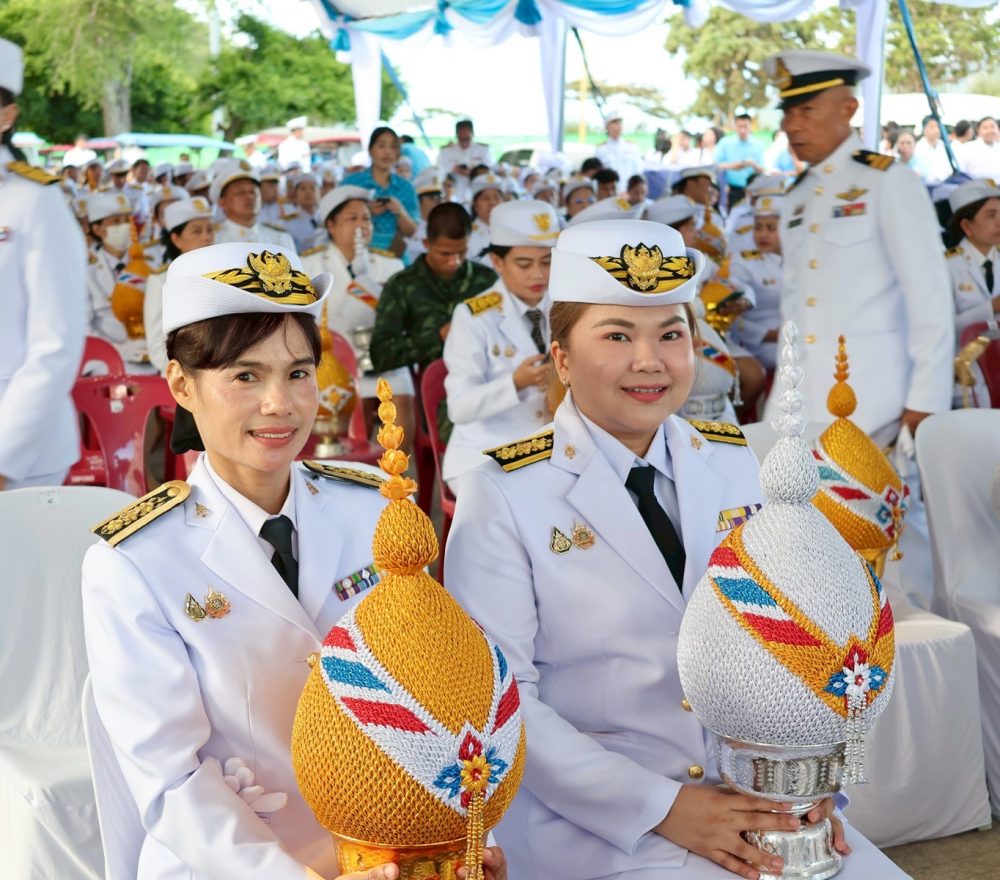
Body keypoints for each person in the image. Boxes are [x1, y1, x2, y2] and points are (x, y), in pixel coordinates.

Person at [81, 240, 507, 880]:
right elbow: (170, 782)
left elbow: (441, 688)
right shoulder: (137, 561)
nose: (280, 403)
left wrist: (464, 842)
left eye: (299, 373)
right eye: (245, 376)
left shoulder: (374, 507)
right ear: (181, 385)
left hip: (395, 847)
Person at [444, 217, 851, 880]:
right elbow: (497, 700)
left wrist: (801, 784)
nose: (650, 360)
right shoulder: (502, 491)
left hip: (750, 794)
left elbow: (796, 638)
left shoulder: (735, 461)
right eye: (617, 336)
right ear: (562, 359)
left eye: (670, 334)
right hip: (598, 821)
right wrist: (664, 808)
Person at [764, 49, 954, 442]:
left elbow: (929, 296)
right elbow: (796, 305)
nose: (792, 125)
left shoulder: (886, 180)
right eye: (788, 113)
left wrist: (927, 398)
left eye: (807, 110)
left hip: (875, 400)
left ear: (848, 109)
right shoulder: (797, 195)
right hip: (799, 403)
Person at [0, 37, 87, 491]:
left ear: (7, 116)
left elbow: (56, 342)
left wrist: (4, 456)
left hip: (21, 453)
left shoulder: (34, 200)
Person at [442, 200, 560, 492]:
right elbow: (459, 407)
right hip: (488, 452)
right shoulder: (473, 316)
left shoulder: (564, 307)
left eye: (547, 262)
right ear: (497, 262)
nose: (538, 274)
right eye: (524, 264)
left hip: (554, 445)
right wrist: (515, 383)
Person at [300, 185, 415, 441]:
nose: (362, 226)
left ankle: (397, 464)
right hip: (333, 358)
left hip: (382, 354)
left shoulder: (390, 264)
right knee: (351, 404)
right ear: (331, 225)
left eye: (366, 219)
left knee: (400, 398)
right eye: (352, 219)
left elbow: (402, 318)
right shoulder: (309, 265)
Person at [370, 202, 497, 376]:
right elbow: (380, 354)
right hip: (430, 383)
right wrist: (437, 337)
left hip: (487, 379)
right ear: (426, 244)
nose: (454, 261)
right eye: (445, 254)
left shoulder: (487, 280)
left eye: (461, 252)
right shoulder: (402, 285)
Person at [143, 196, 215, 375]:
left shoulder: (226, 274)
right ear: (176, 239)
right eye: (196, 231)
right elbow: (157, 347)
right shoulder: (161, 281)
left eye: (210, 230)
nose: (207, 237)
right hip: (182, 377)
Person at [945, 179, 1000, 407]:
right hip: (967, 377)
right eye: (991, 215)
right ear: (967, 226)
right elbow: (944, 327)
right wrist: (990, 308)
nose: (999, 222)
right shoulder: (946, 266)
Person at [85, 190, 149, 366]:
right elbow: (84, 327)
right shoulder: (87, 273)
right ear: (97, 229)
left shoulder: (149, 262)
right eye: (115, 222)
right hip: (107, 362)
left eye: (127, 220)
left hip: (155, 357)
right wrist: (118, 350)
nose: (124, 226)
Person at [342, 126, 418, 257]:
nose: (387, 152)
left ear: (398, 153)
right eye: (381, 146)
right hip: (358, 254)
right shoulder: (352, 183)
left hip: (396, 256)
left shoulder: (406, 187)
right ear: (370, 150)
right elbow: (339, 223)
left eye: (393, 147)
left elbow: (412, 232)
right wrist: (366, 213)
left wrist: (400, 211)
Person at [729, 196, 784, 371]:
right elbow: (733, 317)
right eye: (758, 227)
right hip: (761, 342)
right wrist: (770, 335)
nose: (763, 235)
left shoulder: (800, 259)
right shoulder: (742, 263)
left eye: (771, 228)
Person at [210, 159, 296, 251]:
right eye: (240, 192)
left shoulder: (279, 237)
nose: (249, 197)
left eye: (253, 192)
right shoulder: (212, 240)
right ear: (222, 202)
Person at [437, 118, 492, 205]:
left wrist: (473, 172)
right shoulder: (446, 151)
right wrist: (454, 169)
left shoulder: (483, 150)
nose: (464, 142)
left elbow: (489, 170)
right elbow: (439, 171)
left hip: (476, 192)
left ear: (472, 134)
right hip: (453, 193)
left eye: (466, 138)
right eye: (461, 139)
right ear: (456, 135)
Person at [714, 114, 765, 207]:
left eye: (745, 126)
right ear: (735, 127)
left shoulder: (758, 144)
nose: (742, 130)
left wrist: (752, 164)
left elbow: (763, 169)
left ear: (750, 126)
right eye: (739, 126)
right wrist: (733, 166)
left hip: (754, 191)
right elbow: (715, 165)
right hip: (733, 190)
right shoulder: (725, 143)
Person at [403, 169, 443, 264]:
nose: (437, 203)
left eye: (439, 198)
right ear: (418, 201)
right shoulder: (409, 227)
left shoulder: (443, 227)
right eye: (432, 198)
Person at [281, 172, 326, 253]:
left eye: (312, 188)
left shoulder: (327, 217)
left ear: (320, 192)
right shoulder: (289, 224)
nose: (308, 192)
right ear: (296, 194)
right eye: (303, 189)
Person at [595, 108, 642, 184]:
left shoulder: (632, 147)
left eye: (620, 123)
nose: (617, 126)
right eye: (614, 123)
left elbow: (638, 172)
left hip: (629, 190)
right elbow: (598, 175)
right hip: (610, 190)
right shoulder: (600, 149)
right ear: (607, 127)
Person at [467, 173, 504, 265]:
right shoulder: (467, 235)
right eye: (485, 198)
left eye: (497, 198)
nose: (492, 203)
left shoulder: (510, 232)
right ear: (475, 205)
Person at [913, 115, 954, 186]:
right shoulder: (917, 148)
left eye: (938, 126)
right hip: (927, 186)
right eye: (932, 127)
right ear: (924, 129)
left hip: (946, 184)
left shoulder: (944, 146)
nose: (936, 130)